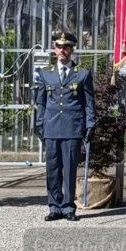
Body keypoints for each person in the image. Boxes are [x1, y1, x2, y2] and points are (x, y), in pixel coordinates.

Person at [33, 31, 95, 222]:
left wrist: (90, 124)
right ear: (54, 49)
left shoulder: (82, 74)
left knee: (69, 170)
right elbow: (41, 102)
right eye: (59, 46)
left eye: (66, 47)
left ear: (72, 49)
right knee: (52, 170)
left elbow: (89, 103)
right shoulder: (45, 73)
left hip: (72, 129)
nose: (62, 50)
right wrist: (39, 123)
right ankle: (54, 206)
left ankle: (68, 207)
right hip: (51, 128)